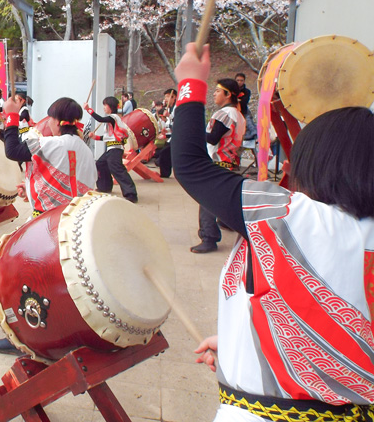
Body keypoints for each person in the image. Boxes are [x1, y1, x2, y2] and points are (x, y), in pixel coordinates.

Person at [172, 43, 374, 421]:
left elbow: (189, 164)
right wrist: (241, 345)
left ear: (315, 162)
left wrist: (190, 85)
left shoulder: (289, 216)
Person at [0, 96, 97, 355]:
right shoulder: (85, 150)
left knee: (23, 278)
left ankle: (27, 336)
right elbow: (62, 179)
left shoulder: (51, 143)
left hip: (46, 226)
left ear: (57, 122)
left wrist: (12, 116)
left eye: (50, 119)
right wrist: (31, 188)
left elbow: (12, 150)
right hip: (76, 224)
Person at [189, 77, 246, 253]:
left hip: (217, 161)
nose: (214, 94)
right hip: (228, 161)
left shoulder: (224, 114)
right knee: (224, 197)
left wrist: (194, 131)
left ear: (228, 94)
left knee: (206, 199)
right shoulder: (238, 114)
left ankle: (208, 237)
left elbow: (213, 138)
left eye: (217, 91)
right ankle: (227, 222)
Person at [85, 96, 138, 203]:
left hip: (115, 149)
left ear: (111, 106)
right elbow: (109, 137)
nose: (104, 107)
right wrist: (96, 137)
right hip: (111, 149)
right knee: (100, 164)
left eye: (105, 105)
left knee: (117, 170)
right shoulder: (111, 120)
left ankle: (131, 193)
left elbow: (100, 119)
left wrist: (88, 109)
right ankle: (105, 187)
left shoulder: (113, 117)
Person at [156, 88, 177, 178]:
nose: (166, 99)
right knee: (164, 153)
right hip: (173, 135)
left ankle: (165, 173)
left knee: (165, 152)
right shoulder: (171, 108)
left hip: (178, 135)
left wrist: (169, 116)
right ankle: (164, 173)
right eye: (165, 97)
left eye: (168, 96)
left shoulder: (177, 108)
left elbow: (177, 121)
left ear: (174, 97)